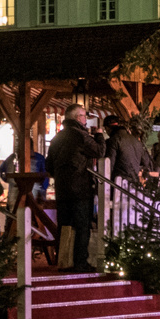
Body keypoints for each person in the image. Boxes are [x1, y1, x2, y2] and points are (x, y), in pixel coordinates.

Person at [46, 105, 104, 273]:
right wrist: (99, 135)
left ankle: (64, 260)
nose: (86, 120)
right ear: (78, 118)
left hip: (62, 189)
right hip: (80, 188)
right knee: (82, 225)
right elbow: (99, 151)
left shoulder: (58, 138)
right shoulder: (81, 136)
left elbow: (49, 164)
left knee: (64, 226)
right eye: (85, 116)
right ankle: (80, 262)